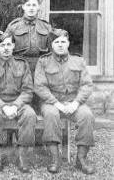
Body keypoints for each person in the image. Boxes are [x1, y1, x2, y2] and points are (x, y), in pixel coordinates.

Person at [34, 29, 95, 174]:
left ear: (68, 43)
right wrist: (57, 104)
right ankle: (55, 159)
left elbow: (87, 85)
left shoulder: (78, 61)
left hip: (74, 102)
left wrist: (76, 103)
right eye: (56, 42)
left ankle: (81, 159)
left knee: (87, 115)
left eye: (63, 42)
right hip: (51, 102)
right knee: (50, 115)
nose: (60, 45)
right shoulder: (43, 61)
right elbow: (39, 86)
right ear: (51, 45)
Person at [0, 33, 36, 173]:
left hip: (19, 102)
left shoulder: (22, 64)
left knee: (30, 114)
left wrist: (15, 105)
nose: (6, 48)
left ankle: (22, 156)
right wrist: (4, 106)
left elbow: (28, 91)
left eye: (8, 45)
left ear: (13, 46)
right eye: (2, 45)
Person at [4, 0, 52, 73]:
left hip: (40, 67)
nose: (31, 8)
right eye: (28, 5)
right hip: (18, 66)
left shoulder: (45, 26)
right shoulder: (14, 26)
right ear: (23, 7)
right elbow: (5, 49)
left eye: (34, 5)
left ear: (38, 7)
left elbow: (51, 52)